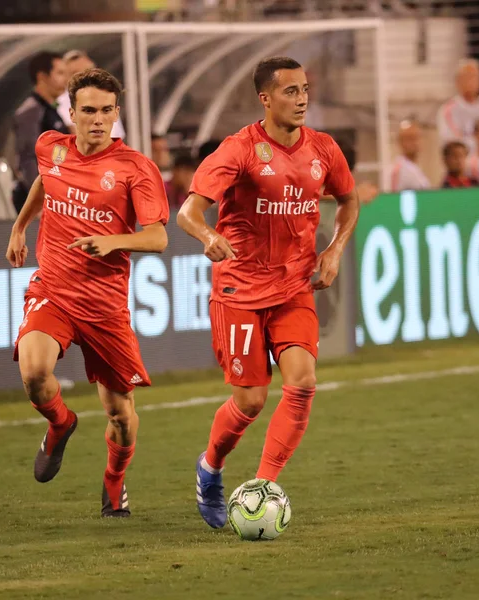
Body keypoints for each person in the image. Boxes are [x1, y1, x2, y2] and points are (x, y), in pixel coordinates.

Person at [177, 56, 359, 529]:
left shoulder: (323, 149)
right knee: (251, 402)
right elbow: (188, 212)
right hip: (239, 290)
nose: (301, 100)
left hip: (295, 286)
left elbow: (349, 198)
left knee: (301, 382)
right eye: (290, 92)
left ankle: (264, 486)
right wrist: (207, 236)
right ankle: (210, 467)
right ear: (265, 98)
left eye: (304, 90)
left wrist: (335, 249)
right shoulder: (238, 149)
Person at [5, 68, 169, 517]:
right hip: (54, 289)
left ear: (117, 112)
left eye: (107, 111)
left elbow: (157, 237)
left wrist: (114, 241)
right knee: (34, 372)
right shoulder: (50, 147)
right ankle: (61, 424)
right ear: (71, 112)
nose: (98, 120)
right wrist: (20, 227)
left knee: (120, 414)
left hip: (104, 304)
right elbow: (45, 180)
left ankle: (114, 483)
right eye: (89, 111)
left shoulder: (136, 169)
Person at [13, 51, 69, 211]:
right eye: (59, 73)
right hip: (43, 201)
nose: (65, 79)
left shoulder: (50, 109)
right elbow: (28, 158)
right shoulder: (31, 111)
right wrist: (39, 200)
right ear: (42, 77)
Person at [57, 50, 125, 139]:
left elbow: (118, 135)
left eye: (87, 71)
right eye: (76, 73)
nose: (84, 77)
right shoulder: (60, 104)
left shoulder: (107, 97)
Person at [437, 59, 479, 152]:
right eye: (467, 77)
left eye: (474, 77)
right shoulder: (448, 110)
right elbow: (451, 142)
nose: (471, 81)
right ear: (458, 81)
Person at [391, 120, 431, 191]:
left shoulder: (414, 168)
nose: (415, 142)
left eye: (417, 137)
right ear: (400, 142)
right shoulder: (399, 169)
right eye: (410, 138)